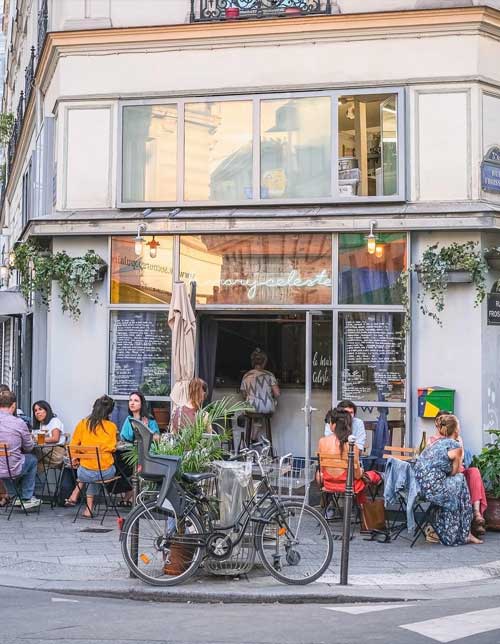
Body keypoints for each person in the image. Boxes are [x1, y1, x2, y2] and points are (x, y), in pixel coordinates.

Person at [415, 413, 482, 546]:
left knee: (457, 487)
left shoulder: (436, 443)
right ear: (456, 430)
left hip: (420, 489)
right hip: (435, 491)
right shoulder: (455, 446)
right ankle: (462, 533)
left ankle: (447, 529)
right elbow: (454, 472)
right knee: (461, 481)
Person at [428, 410, 487, 538]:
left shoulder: (457, 440)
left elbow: (461, 460)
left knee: (474, 472)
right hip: (447, 476)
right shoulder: (433, 441)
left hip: (458, 470)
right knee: (460, 478)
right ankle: (468, 528)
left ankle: (477, 514)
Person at [317, 407, 381, 510]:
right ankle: (364, 511)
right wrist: (362, 471)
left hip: (328, 484)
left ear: (333, 425)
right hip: (348, 486)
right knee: (374, 476)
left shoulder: (322, 442)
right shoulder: (351, 446)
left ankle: (329, 508)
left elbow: (321, 469)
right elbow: (357, 474)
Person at [65, 395, 117, 518]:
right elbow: (113, 447)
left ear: (94, 408)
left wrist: (76, 459)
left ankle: (82, 501)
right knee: (100, 469)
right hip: (105, 473)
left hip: (84, 473)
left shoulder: (83, 424)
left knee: (90, 472)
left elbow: (72, 446)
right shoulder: (111, 427)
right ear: (109, 412)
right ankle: (87, 507)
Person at [0, 390, 40, 509]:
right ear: (13, 405)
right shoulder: (19, 423)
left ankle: (13, 495)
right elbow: (29, 447)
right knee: (32, 459)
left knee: (6, 463)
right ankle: (26, 497)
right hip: (11, 468)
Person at [241, 348, 280, 415]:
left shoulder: (246, 375)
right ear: (264, 361)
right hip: (267, 408)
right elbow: (277, 394)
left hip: (250, 408)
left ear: (252, 362)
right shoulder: (270, 375)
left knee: (247, 403)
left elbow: (244, 395)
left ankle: (256, 423)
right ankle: (260, 423)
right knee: (274, 402)